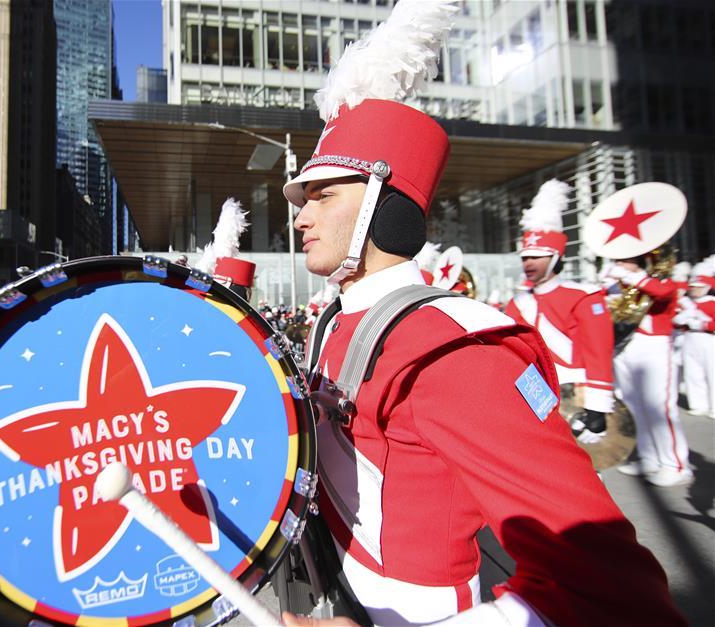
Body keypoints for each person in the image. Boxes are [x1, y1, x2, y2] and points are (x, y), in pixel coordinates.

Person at [280, 2, 683, 624]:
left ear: (383, 210)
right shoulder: (335, 319)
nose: (300, 216)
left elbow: (614, 595)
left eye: (322, 195)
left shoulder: (456, 353)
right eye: (301, 198)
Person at [504, 179, 616, 443]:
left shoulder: (583, 297)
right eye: (525, 257)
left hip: (574, 393)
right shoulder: (519, 302)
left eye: (537, 256)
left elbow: (598, 353)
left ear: (555, 257)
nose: (528, 263)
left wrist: (597, 405)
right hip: (533, 389)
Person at [601, 255, 693, 486]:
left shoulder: (660, 281)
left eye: (625, 260)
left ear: (639, 262)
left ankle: (675, 464)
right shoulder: (618, 283)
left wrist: (633, 277)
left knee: (660, 407)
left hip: (654, 346)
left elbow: (663, 294)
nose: (619, 264)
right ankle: (649, 458)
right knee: (633, 406)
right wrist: (606, 285)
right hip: (624, 347)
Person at [673, 257, 715, 418]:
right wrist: (681, 320)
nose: (694, 290)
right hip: (689, 339)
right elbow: (675, 322)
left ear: (706, 287)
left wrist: (701, 325)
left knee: (712, 372)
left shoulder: (712, 303)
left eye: (698, 287)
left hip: (708, 339)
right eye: (692, 287)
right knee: (693, 372)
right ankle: (698, 404)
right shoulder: (685, 303)